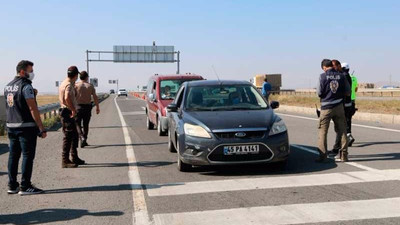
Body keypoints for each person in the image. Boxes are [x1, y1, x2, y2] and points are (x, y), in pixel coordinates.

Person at [4, 60, 47, 195]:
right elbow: (32, 108)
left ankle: (12, 185)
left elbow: (14, 104)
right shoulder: (26, 86)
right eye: (30, 70)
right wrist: (41, 127)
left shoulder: (8, 86)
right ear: (23, 71)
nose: (32, 73)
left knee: (13, 156)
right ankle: (25, 186)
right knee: (28, 156)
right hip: (26, 126)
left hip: (11, 125)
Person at [316, 59, 350, 162]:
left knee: (323, 131)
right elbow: (348, 92)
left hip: (326, 108)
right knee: (343, 130)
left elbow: (319, 93)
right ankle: (344, 155)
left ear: (324, 67)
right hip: (339, 107)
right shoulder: (342, 76)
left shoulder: (322, 76)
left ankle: (323, 156)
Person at [59, 66, 85, 168]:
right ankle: (65, 160)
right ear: (76, 75)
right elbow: (66, 97)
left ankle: (74, 157)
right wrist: (73, 109)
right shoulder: (68, 85)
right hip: (67, 112)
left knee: (74, 136)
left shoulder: (64, 82)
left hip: (67, 111)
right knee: (68, 137)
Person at [330, 60, 352, 156]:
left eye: (334, 66)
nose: (333, 68)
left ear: (340, 66)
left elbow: (347, 91)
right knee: (341, 127)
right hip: (345, 104)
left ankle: (339, 149)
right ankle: (339, 149)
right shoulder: (343, 75)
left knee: (341, 128)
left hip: (344, 105)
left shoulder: (343, 76)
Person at [75, 71, 100, 148]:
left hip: (77, 107)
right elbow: (95, 97)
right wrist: (97, 107)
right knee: (86, 125)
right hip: (87, 107)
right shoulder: (90, 86)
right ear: (86, 77)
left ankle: (81, 137)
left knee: (77, 124)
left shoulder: (75, 85)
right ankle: (84, 139)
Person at [344, 62, 357, 146]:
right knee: (349, 119)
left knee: (343, 120)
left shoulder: (343, 77)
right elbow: (356, 89)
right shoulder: (354, 78)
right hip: (352, 100)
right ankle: (348, 135)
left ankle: (347, 137)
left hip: (346, 100)